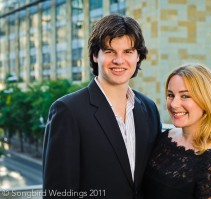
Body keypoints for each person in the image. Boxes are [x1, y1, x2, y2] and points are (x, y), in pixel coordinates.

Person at [42, 14, 161, 199]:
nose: (119, 60)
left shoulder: (149, 109)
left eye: (128, 52)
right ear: (95, 56)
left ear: (138, 56)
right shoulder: (68, 111)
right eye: (110, 51)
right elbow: (58, 193)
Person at [143, 63, 211, 199]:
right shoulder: (164, 138)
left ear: (206, 100)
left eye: (185, 96)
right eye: (170, 95)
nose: (174, 104)